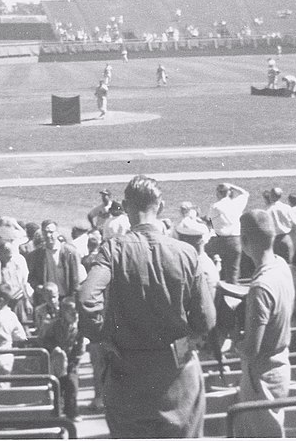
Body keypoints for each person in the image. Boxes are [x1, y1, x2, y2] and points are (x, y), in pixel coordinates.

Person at [79, 175, 216, 438]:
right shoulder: (185, 252)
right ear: (161, 207)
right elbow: (207, 320)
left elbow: (87, 299)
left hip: (128, 373)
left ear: (125, 206)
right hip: (177, 373)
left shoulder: (113, 249)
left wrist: (102, 336)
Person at [234, 210, 295, 438]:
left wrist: (235, 344)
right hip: (280, 365)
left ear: (245, 241)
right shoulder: (281, 266)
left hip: (262, 375)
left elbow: (251, 349)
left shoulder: (260, 286)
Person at [40, 297, 85, 422]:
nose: (75, 315)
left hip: (72, 360)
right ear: (63, 313)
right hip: (58, 359)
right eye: (71, 313)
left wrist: (76, 358)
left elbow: (80, 344)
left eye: (76, 313)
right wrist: (54, 348)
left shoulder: (79, 327)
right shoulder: (55, 325)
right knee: (58, 385)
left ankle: (72, 411)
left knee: (72, 384)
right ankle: (57, 411)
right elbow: (45, 340)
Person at [0, 237, 34, 333]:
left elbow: (21, 283)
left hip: (18, 301)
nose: (10, 253)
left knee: (23, 331)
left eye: (11, 249)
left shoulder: (15, 262)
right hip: (1, 304)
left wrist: (26, 301)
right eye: (7, 250)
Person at [28, 219, 81, 304]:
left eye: (51, 232)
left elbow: (76, 278)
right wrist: (37, 286)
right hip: (46, 298)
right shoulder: (37, 254)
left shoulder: (70, 252)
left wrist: (73, 298)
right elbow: (31, 277)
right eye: (45, 232)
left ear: (57, 233)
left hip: (66, 297)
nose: (48, 235)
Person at [207, 182, 249, 283]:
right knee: (233, 272)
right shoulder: (236, 203)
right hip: (235, 240)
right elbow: (245, 193)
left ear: (219, 193)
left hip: (220, 240)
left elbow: (209, 220)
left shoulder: (216, 206)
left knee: (213, 265)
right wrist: (232, 186)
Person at [266, 187, 296, 263]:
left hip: (275, 240)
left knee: (277, 264)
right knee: (289, 262)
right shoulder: (287, 207)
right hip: (287, 238)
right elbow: (295, 222)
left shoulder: (269, 209)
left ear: (272, 196)